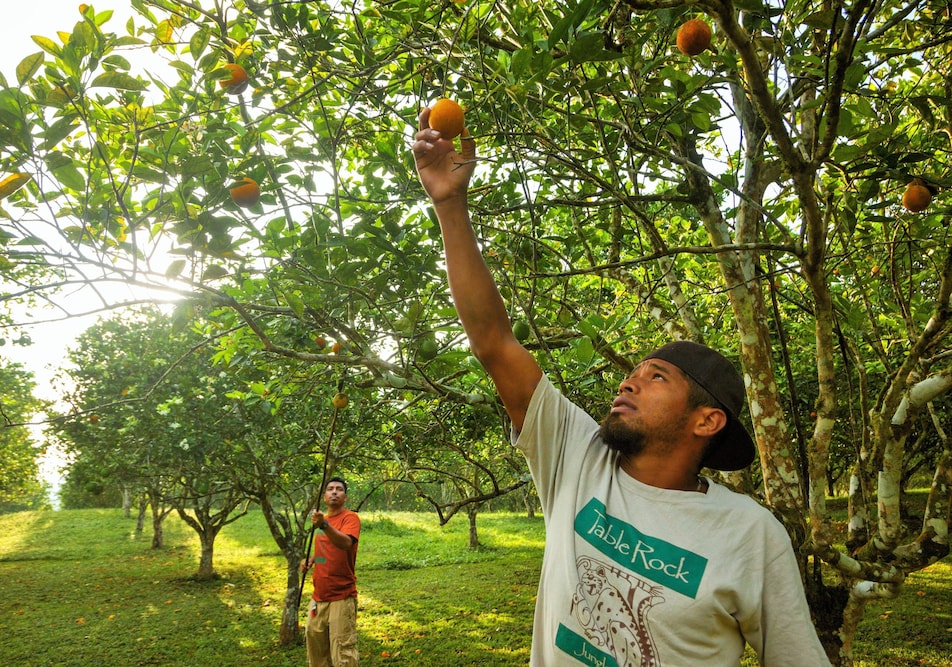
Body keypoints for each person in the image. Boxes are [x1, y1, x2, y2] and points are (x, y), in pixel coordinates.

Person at [411, 111, 831, 666]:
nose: (629, 381)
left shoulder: (750, 535)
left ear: (706, 420)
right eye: (635, 370)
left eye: (657, 377)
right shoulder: (578, 458)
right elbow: (493, 340)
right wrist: (449, 204)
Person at [302, 476, 361, 667]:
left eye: (339, 489)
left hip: (341, 597)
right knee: (316, 651)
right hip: (318, 597)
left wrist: (324, 525)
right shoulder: (322, 521)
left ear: (345, 497)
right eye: (330, 489)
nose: (334, 492)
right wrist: (312, 560)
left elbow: (345, 543)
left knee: (343, 653)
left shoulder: (349, 518)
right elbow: (325, 554)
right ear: (324, 496)